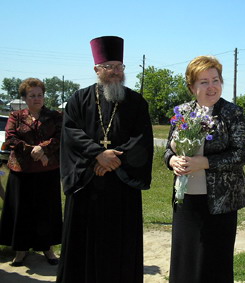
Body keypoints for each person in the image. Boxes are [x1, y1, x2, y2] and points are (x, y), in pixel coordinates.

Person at [56, 36, 153, 283]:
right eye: (109, 66)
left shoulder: (136, 102)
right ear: (96, 69)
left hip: (122, 188)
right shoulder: (78, 100)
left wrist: (112, 159)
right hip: (87, 185)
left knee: (119, 247)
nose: (115, 72)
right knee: (83, 245)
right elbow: (70, 134)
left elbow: (141, 138)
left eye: (119, 66)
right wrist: (97, 154)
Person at [164, 55, 245, 283]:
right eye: (204, 81)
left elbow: (242, 154)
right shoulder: (182, 113)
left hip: (220, 203)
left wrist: (205, 162)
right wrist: (172, 161)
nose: (211, 86)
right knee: (185, 260)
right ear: (192, 87)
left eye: (215, 79)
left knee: (214, 262)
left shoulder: (232, 113)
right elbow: (168, 149)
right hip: (186, 201)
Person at [0, 78, 63, 266]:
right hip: (22, 172)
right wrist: (33, 150)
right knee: (22, 211)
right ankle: (20, 251)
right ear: (25, 98)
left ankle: (48, 249)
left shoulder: (55, 116)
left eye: (40, 95)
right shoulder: (16, 116)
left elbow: (60, 136)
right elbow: (10, 138)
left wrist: (44, 149)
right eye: (32, 95)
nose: (37, 99)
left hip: (48, 171)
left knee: (46, 210)